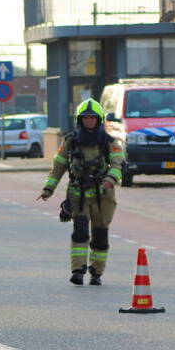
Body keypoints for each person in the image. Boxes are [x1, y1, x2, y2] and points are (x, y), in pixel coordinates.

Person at [38, 99, 125, 286]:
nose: (89, 121)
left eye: (92, 118)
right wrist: (48, 189)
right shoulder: (70, 140)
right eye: (85, 118)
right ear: (79, 120)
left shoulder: (110, 142)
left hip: (103, 197)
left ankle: (96, 272)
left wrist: (110, 180)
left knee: (100, 237)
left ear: (99, 120)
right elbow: (59, 165)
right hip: (78, 196)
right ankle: (77, 271)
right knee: (80, 233)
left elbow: (118, 164)